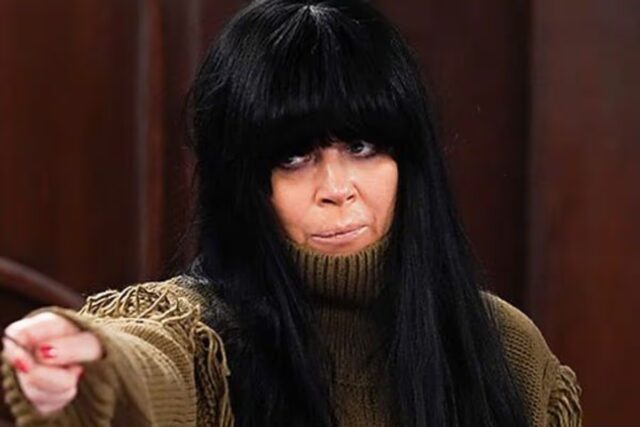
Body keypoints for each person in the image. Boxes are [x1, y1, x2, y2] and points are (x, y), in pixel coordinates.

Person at [1, 0, 582, 426]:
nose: (337, 188)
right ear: (246, 183)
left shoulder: (504, 347)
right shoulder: (200, 336)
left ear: (408, 159)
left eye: (363, 147)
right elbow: (145, 358)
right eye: (295, 158)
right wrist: (87, 364)